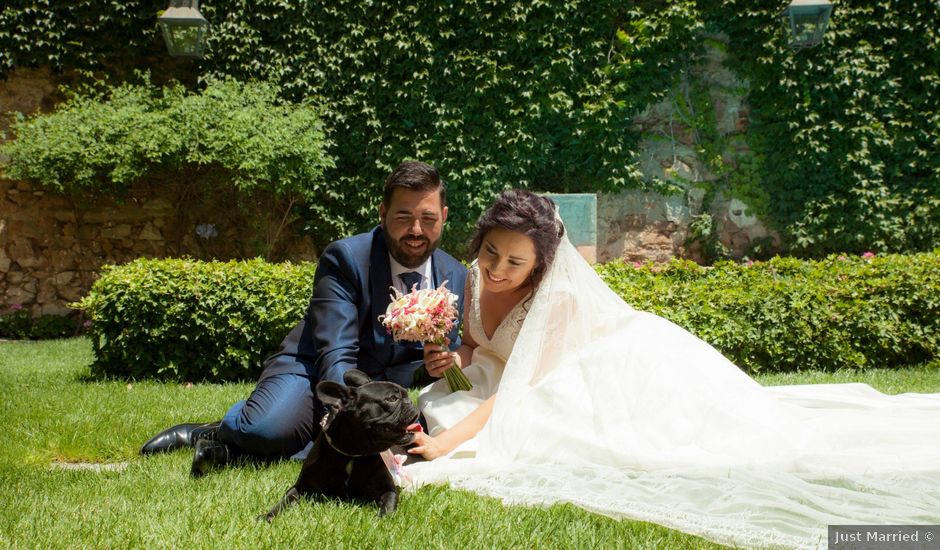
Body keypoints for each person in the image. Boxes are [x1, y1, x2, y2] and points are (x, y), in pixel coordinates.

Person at [405, 189, 940, 549]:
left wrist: (446, 447)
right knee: (447, 402)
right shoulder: (474, 278)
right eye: (491, 252)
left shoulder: (558, 301)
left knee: (714, 441)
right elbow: (479, 349)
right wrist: (454, 360)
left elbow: (518, 392)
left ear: (541, 265)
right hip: (521, 377)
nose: (496, 269)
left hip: (624, 363)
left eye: (513, 262)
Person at [140, 161, 468, 477]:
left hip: (381, 392)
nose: (416, 230)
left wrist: (432, 366)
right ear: (382, 215)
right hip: (312, 368)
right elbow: (336, 354)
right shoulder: (347, 258)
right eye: (403, 217)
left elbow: (426, 360)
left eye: (428, 218)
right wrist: (356, 421)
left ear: (443, 216)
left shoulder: (454, 273)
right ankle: (216, 430)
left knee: (418, 440)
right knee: (266, 430)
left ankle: (246, 453)